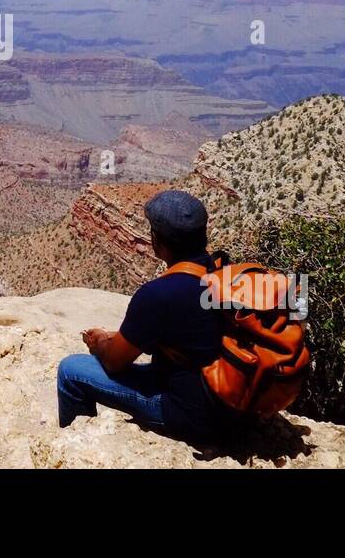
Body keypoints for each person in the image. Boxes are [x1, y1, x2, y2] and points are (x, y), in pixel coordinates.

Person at [56, 189, 225, 442]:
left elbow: (114, 362)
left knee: (70, 371)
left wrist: (99, 342)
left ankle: (75, 448)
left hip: (190, 414)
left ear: (157, 240)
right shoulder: (227, 273)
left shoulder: (159, 294)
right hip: (235, 404)